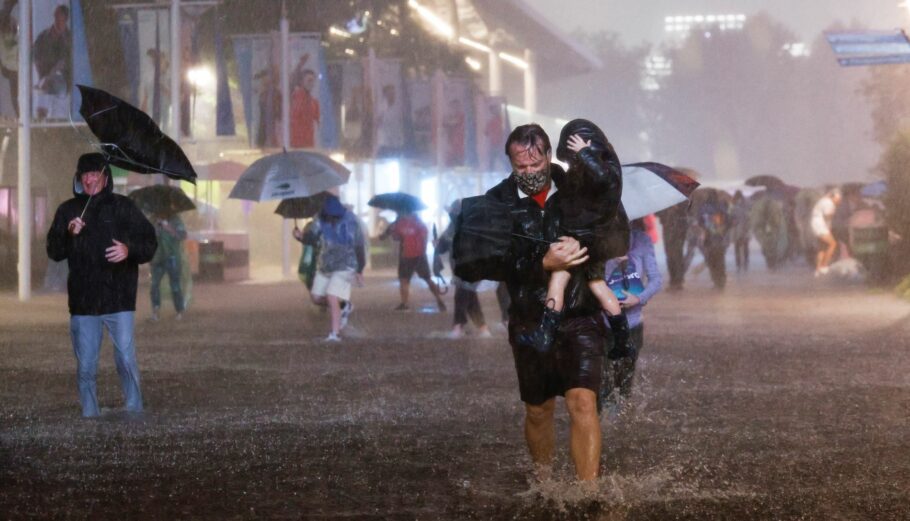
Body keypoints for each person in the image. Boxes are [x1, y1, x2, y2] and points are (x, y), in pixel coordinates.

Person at [453, 123, 616, 482]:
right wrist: (540, 263)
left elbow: (609, 231)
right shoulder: (496, 204)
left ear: (548, 156)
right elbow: (475, 262)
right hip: (530, 318)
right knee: (539, 410)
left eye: (535, 165)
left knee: (583, 402)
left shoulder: (579, 189)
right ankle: (544, 482)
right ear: (511, 163)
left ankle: (585, 493)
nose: (528, 173)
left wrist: (584, 253)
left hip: (580, 313)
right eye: (520, 167)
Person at [46, 153, 157, 418]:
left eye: (95, 174)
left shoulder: (123, 207)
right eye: (85, 175)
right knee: (86, 365)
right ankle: (90, 414)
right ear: (78, 178)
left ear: (105, 177)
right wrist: (69, 234)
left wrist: (129, 250)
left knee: (126, 359)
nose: (90, 179)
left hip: (119, 298)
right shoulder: (68, 211)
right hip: (84, 302)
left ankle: (134, 408)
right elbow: (54, 250)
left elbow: (149, 243)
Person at [518, 119, 634, 362]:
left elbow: (602, 179)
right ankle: (623, 341)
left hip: (583, 238)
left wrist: (584, 152)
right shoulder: (599, 170)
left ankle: (545, 335)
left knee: (559, 277)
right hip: (595, 239)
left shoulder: (604, 169)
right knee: (598, 285)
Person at [601, 218, 663, 414]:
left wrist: (639, 298)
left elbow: (656, 279)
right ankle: (602, 422)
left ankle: (622, 421)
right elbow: (593, 280)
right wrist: (612, 262)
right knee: (604, 377)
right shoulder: (599, 241)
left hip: (633, 323)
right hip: (604, 323)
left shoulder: (642, 240)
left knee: (626, 378)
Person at [293, 195, 365, 342]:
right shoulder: (319, 219)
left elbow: (359, 246)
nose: (332, 220)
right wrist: (300, 237)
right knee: (316, 297)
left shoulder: (352, 221)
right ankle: (344, 306)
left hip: (346, 265)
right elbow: (311, 239)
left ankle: (335, 333)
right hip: (326, 265)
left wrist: (359, 269)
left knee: (332, 296)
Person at [436, 199, 492, 339]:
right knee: (470, 298)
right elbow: (442, 247)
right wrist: (437, 244)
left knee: (461, 296)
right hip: (460, 270)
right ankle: (483, 328)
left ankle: (458, 326)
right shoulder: (451, 229)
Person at [381, 209, 446, 312]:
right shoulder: (418, 223)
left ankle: (405, 303)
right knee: (427, 279)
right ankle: (439, 299)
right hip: (419, 255)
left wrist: (394, 232)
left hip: (406, 256)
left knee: (404, 280)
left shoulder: (400, 223)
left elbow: (395, 237)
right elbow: (424, 237)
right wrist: (422, 250)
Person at [32, 4, 70, 120]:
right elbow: (35, 56)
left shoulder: (69, 38)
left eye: (61, 18)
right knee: (39, 88)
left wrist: (47, 78)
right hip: (44, 77)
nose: (58, 21)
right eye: (56, 17)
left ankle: (50, 120)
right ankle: (40, 119)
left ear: (66, 19)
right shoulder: (43, 36)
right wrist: (41, 77)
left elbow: (62, 63)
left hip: (62, 79)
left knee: (47, 87)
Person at [149, 213, 186, 321]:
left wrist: (168, 227)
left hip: (172, 257)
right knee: (154, 285)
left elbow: (182, 235)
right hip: (157, 257)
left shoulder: (175, 219)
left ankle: (179, 310)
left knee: (175, 286)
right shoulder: (153, 219)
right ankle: (155, 311)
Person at [697, 189, 730, 289]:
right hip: (720, 238)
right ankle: (721, 281)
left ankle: (716, 281)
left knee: (712, 261)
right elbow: (729, 221)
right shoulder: (722, 207)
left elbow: (700, 222)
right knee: (720, 260)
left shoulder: (703, 208)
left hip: (708, 239)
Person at [656, 202, 689, 291]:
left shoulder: (682, 199)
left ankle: (678, 280)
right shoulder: (663, 200)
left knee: (677, 254)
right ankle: (673, 280)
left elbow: (687, 210)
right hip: (667, 227)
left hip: (679, 228)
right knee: (669, 255)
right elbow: (657, 213)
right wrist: (666, 209)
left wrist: (677, 207)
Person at [811, 188, 842, 277]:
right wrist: (833, 212)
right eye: (838, 200)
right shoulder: (829, 203)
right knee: (833, 244)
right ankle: (824, 266)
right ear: (834, 198)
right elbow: (827, 217)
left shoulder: (824, 200)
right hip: (820, 225)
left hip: (816, 224)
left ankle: (817, 270)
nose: (839, 202)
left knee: (822, 247)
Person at [290, 62, 320, 149]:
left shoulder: (314, 103)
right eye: (309, 80)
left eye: (313, 81)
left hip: (309, 145)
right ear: (302, 81)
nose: (311, 83)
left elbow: (317, 125)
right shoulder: (295, 98)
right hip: (296, 145)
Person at [730, 190, 752, 273]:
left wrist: (733, 221)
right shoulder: (745, 205)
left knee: (737, 247)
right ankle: (745, 263)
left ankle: (739, 264)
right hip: (744, 228)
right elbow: (748, 217)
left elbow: (731, 217)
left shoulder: (734, 205)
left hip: (737, 228)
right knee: (745, 246)